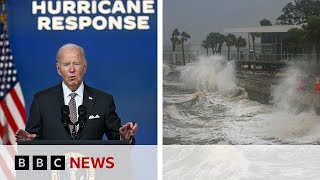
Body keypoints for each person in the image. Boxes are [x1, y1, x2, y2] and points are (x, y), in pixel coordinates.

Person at [15, 43, 138, 143]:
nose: (72, 70)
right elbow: (32, 140)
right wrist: (27, 144)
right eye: (66, 64)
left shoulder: (103, 101)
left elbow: (116, 139)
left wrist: (125, 138)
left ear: (85, 67)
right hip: (54, 170)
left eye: (76, 64)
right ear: (59, 69)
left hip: (91, 169)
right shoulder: (41, 100)